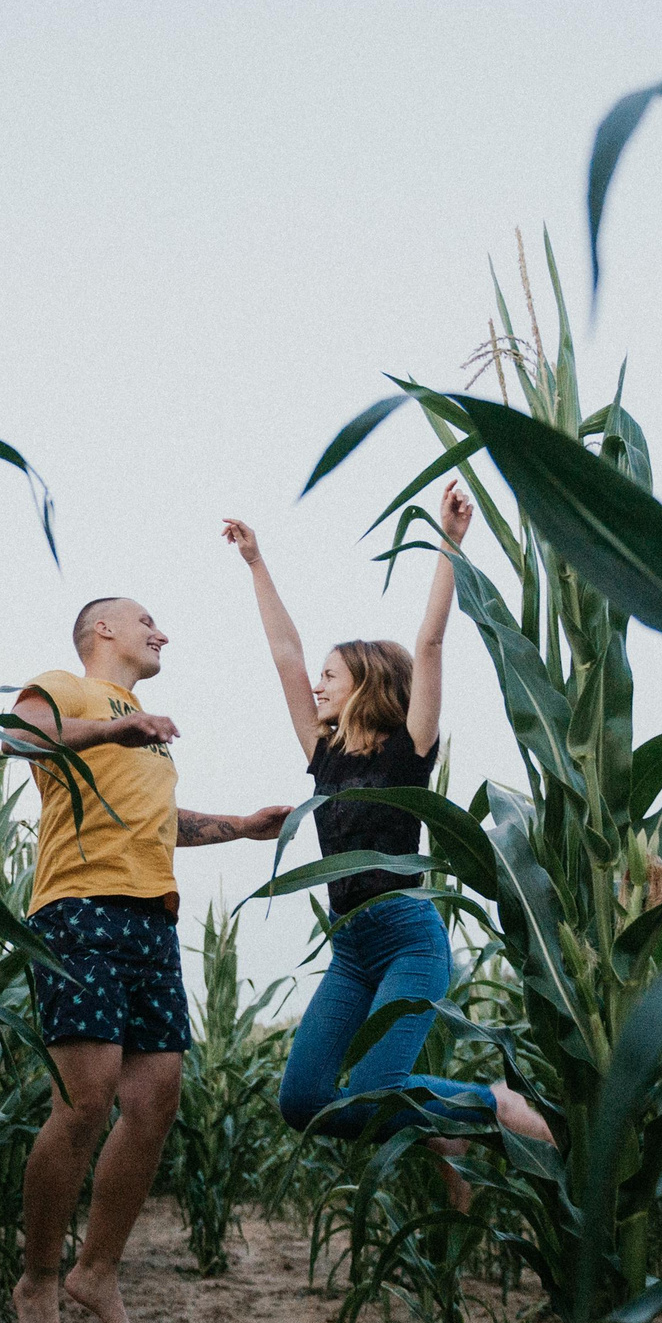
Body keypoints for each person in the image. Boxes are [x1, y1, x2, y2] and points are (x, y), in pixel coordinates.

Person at [220, 483, 554, 1200]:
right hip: (351, 948)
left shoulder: (408, 751)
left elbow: (429, 643)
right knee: (303, 1102)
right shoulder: (325, 755)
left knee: (375, 1093)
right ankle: (447, 1120)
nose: (316, 685)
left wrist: (450, 544)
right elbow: (285, 655)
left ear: (367, 683)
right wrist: (256, 563)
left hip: (408, 940)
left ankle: (490, 1105)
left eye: (331, 677)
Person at [4, 596, 288, 1323]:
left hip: (149, 919)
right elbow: (19, 737)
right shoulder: (64, 686)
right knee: (86, 1099)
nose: (162, 631)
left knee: (157, 1097)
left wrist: (239, 824)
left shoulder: (145, 735)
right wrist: (112, 727)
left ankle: (95, 1270)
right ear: (104, 630)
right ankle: (36, 1280)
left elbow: (162, 823)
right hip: (79, 910)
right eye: (147, 621)